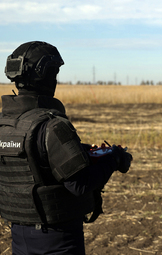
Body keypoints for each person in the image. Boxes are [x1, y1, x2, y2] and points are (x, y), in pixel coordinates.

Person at [0, 41, 132, 255]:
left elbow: (35, 160)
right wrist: (113, 159)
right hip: (57, 240)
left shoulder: (4, 124)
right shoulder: (53, 125)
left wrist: (84, 153)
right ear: (48, 75)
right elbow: (80, 184)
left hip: (18, 237)